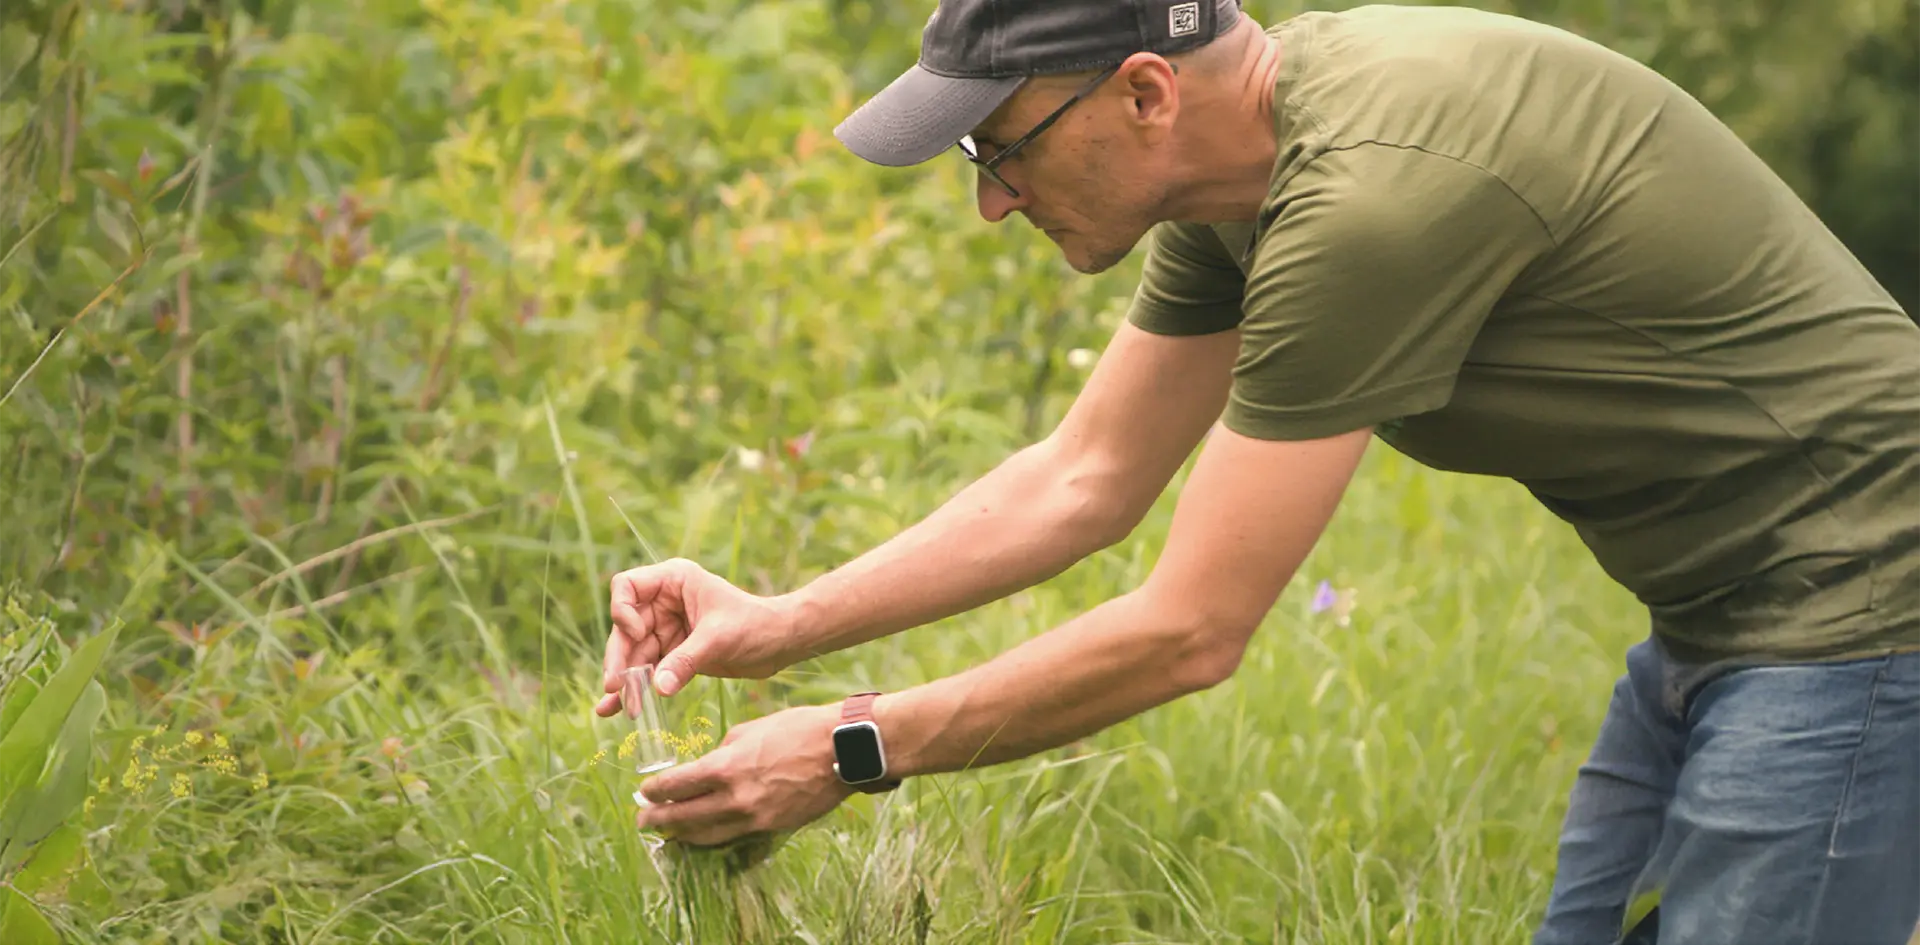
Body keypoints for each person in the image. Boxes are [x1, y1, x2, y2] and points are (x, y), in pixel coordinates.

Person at [594, 1, 1920, 940]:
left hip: (1861, 607)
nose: (991, 199)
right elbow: (1084, 477)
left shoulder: (1370, 204)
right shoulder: (1244, 182)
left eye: (1001, 148)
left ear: (1145, 92)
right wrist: (779, 627)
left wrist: (852, 746)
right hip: (1725, 621)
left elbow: (1188, 632)